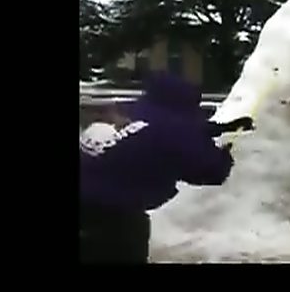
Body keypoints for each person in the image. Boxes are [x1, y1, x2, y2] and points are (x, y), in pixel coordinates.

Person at [79, 72, 254, 264]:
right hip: (115, 220)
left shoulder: (134, 114)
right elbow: (212, 172)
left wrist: (222, 128)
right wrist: (224, 156)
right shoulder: (176, 133)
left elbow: (174, 128)